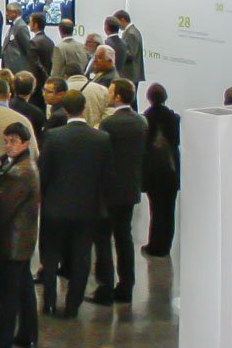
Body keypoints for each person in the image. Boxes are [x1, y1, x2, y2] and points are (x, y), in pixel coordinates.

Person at [38, 93, 113, 319]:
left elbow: (43, 172)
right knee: (82, 257)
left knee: (50, 256)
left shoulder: (53, 136)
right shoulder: (101, 138)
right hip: (88, 208)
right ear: (84, 107)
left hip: (55, 208)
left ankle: (49, 302)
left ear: (65, 109)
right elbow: (107, 175)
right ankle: (73, 305)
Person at [0, 121, 41, 348]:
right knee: (23, 289)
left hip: (11, 241)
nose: (9, 145)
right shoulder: (23, 165)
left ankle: (0, 343)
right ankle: (27, 334)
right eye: (6, 141)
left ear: (26, 143)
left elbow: (2, 208)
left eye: (13, 141)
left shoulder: (19, 172)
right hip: (21, 240)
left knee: (6, 295)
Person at [92, 80, 148, 306]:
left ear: (117, 97)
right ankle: (126, 286)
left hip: (109, 190)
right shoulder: (141, 122)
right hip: (130, 188)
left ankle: (105, 287)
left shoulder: (109, 124)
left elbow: (102, 156)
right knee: (124, 237)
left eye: (111, 91)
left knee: (103, 239)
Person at [141, 85, 181, 259]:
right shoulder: (174, 118)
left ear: (149, 98)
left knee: (155, 209)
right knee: (169, 209)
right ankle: (166, 245)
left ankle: (154, 245)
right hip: (171, 170)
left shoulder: (146, 118)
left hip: (153, 171)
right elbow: (176, 141)